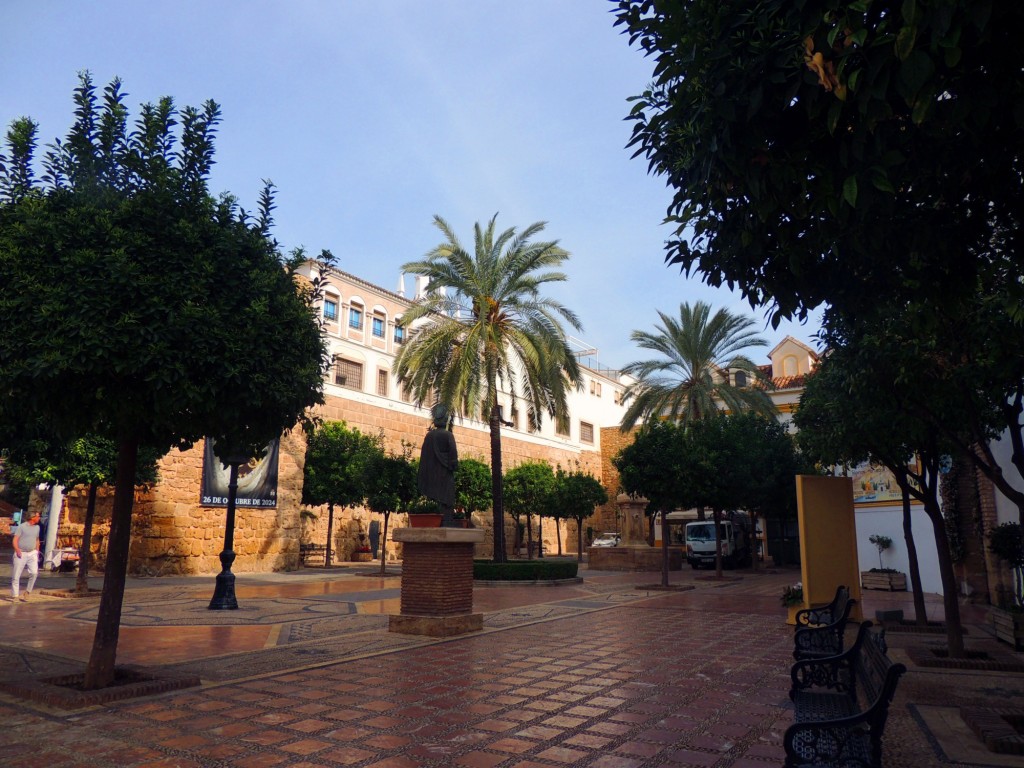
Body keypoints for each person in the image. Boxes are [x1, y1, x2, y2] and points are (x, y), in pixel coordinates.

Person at [417, 404, 459, 527]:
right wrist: (453, 465)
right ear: (445, 420)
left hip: (433, 473)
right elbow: (453, 454)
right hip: (445, 473)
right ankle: (446, 518)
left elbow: (425, 455)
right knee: (447, 495)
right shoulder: (448, 435)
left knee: (435, 496)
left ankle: (436, 516)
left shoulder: (429, 436)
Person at [11, 510, 41, 602]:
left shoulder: (37, 527)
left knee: (34, 573)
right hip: (21, 552)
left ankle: (27, 592)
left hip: (32, 553)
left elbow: (36, 539)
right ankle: (15, 595)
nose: (39, 518)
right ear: (32, 517)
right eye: (38, 516)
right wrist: (17, 550)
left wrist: (37, 550)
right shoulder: (22, 527)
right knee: (16, 575)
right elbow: (15, 539)